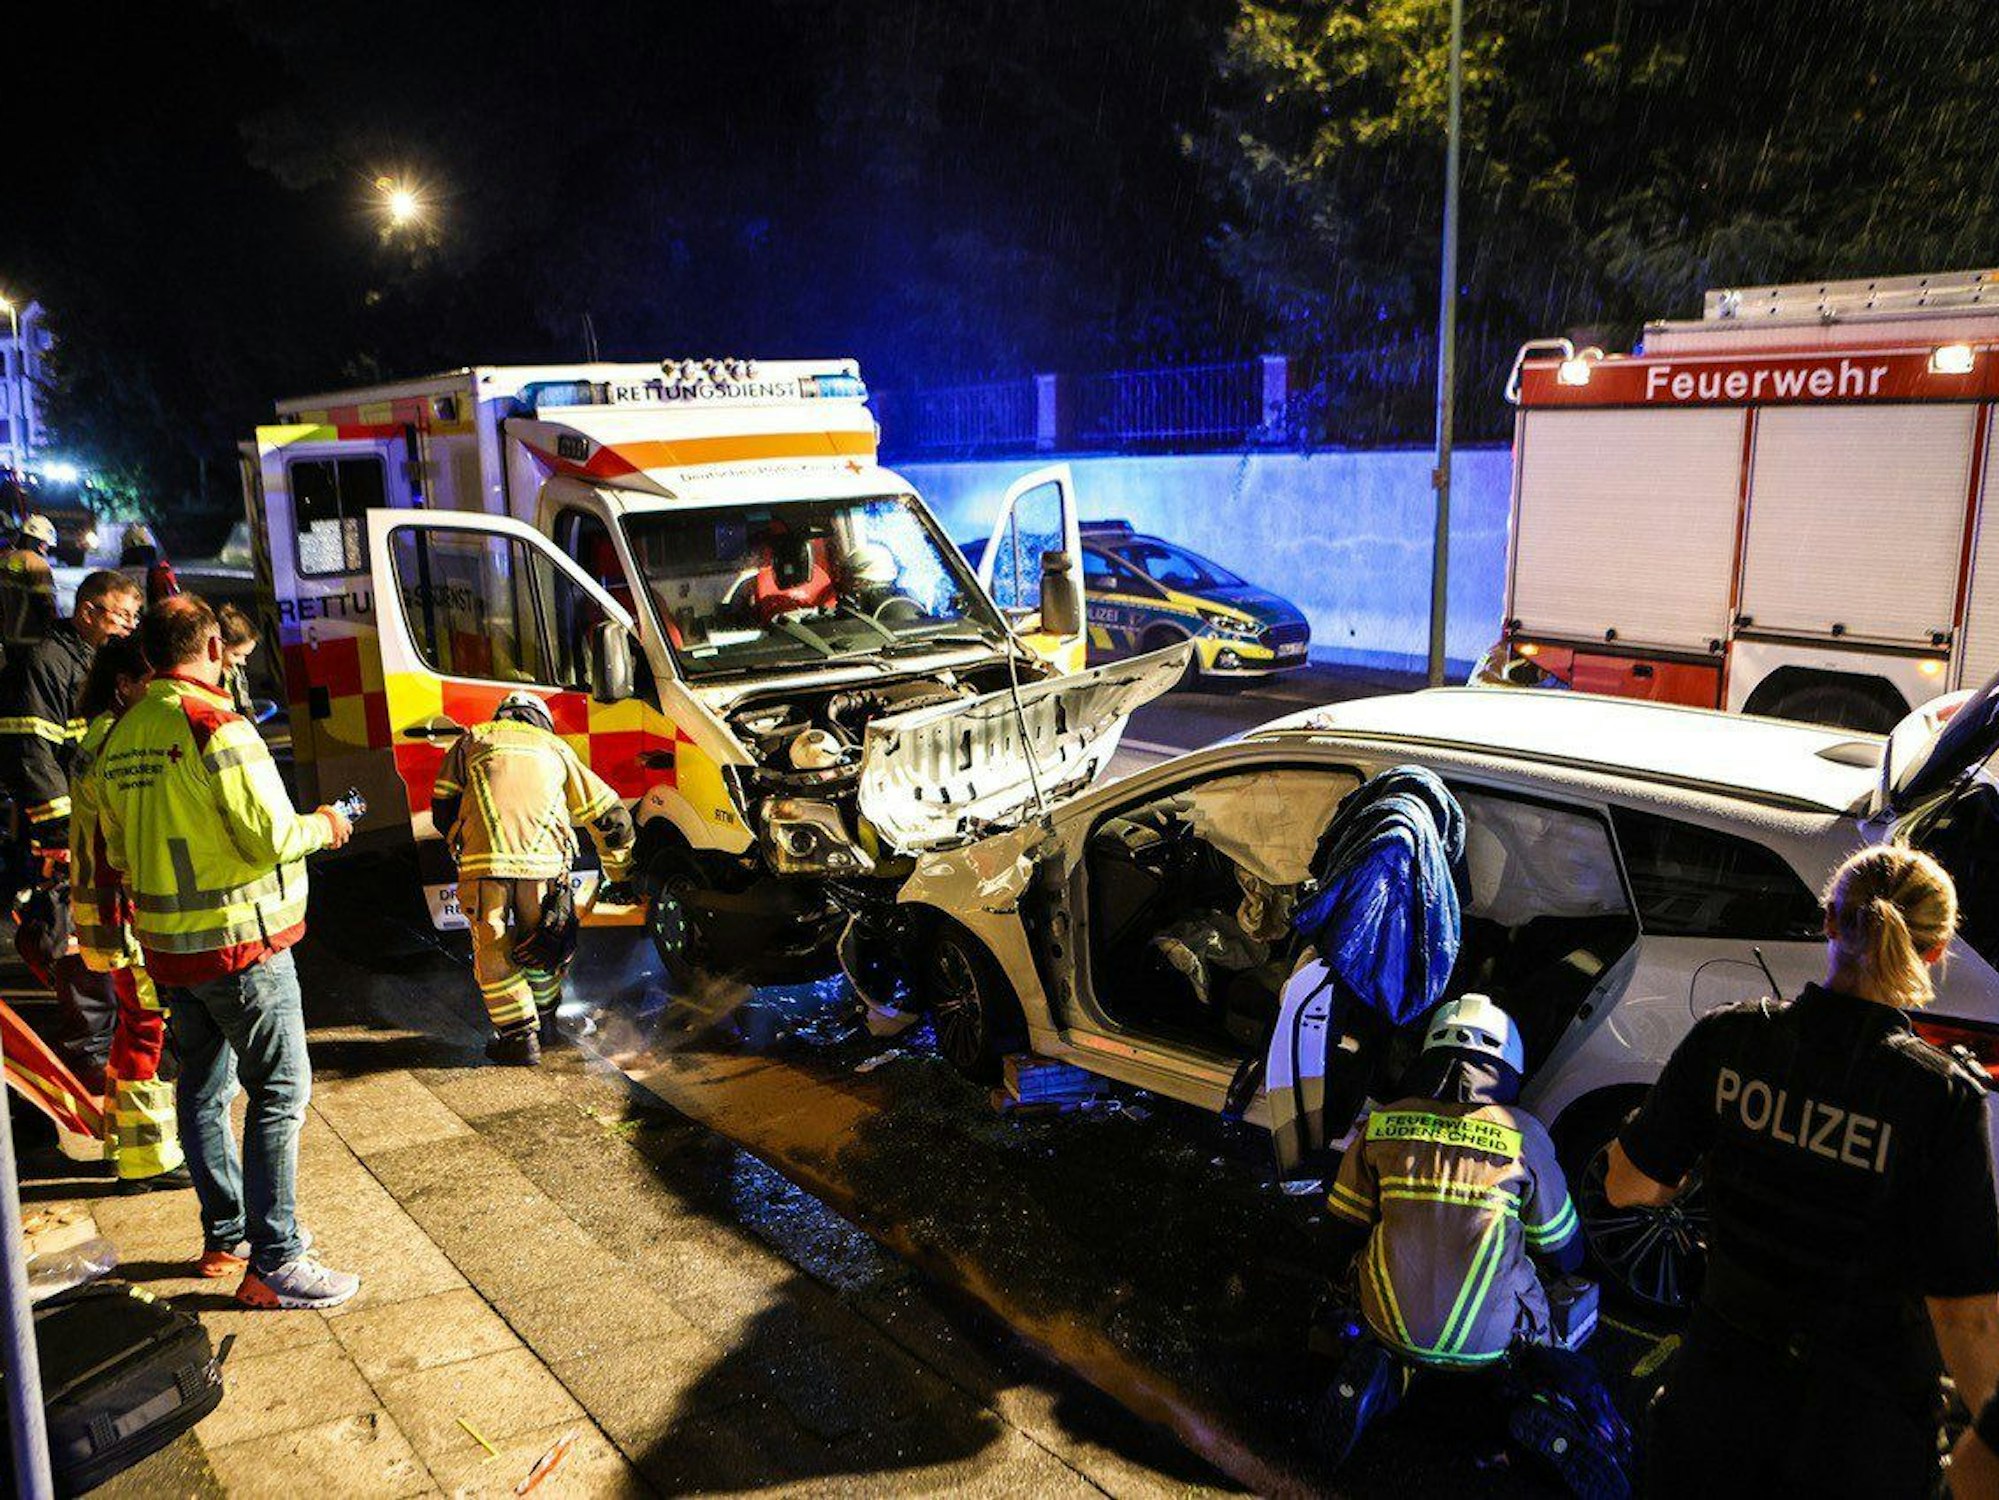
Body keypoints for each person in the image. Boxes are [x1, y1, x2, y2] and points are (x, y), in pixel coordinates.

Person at [1607, 844, 1999, 1497]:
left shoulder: (1727, 1040)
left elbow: (1628, 1185)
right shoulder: (1937, 1097)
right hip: (1857, 1434)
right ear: (1934, 952)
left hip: (1718, 1399)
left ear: (1826, 923)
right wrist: (1984, 1439)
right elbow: (1966, 1317)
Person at [97, 595, 360, 1308]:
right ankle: (277, 1260)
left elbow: (118, 851)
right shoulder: (217, 724)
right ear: (213, 647)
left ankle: (226, 1236)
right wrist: (327, 824)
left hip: (170, 951)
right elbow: (271, 837)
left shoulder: (122, 734)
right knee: (279, 1094)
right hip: (241, 946)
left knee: (203, 1089)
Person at [1317, 993, 1628, 1494]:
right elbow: (1562, 1249)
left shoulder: (1382, 1124)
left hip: (1386, 1320)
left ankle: (1385, 1377)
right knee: (1564, 1303)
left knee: (1371, 1265)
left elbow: (1340, 1227)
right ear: (1507, 1066)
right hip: (1488, 1346)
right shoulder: (1522, 1136)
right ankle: (1543, 1407)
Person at [428, 691, 635, 1066]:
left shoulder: (472, 739)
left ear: (502, 717)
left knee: (492, 947)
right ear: (541, 722)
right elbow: (612, 817)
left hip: (484, 862)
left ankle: (519, 1038)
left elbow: (442, 806)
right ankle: (546, 1023)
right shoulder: (556, 749)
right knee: (543, 942)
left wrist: (462, 838)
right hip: (543, 864)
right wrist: (619, 875)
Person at [0, 568, 144, 1093]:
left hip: (100, 828)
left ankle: (111, 1044)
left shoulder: (100, 662)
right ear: (88, 612)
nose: (129, 626)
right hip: (68, 835)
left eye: (135, 616)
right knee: (78, 944)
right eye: (120, 615)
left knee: (105, 937)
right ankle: (89, 1062)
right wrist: (61, 829)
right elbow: (29, 751)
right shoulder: (46, 662)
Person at [69, 632, 188, 1191]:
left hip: (104, 908)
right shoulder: (119, 739)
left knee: (129, 1027)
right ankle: (148, 1162)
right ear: (124, 686)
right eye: (149, 679)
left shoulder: (97, 734)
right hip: (123, 912)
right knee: (145, 1028)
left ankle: (122, 1143)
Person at [0, 513, 59, 657]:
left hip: (7, 637)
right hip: (31, 639)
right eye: (46, 544)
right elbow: (46, 603)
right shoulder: (36, 563)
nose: (46, 549)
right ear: (39, 542)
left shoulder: (5, 559)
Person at [215, 603, 260, 718]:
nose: (242, 662)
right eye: (236, 654)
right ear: (218, 646)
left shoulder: (235, 672)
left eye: (245, 656)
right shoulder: (206, 675)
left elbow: (244, 705)